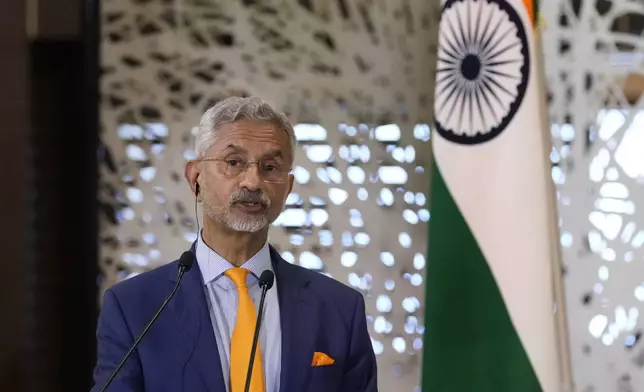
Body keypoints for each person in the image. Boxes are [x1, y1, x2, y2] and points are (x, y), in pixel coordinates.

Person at [91, 96, 378, 392]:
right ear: (195, 179)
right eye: (233, 163)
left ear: (288, 189)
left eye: (270, 167)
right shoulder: (135, 308)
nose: (252, 182)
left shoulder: (339, 309)